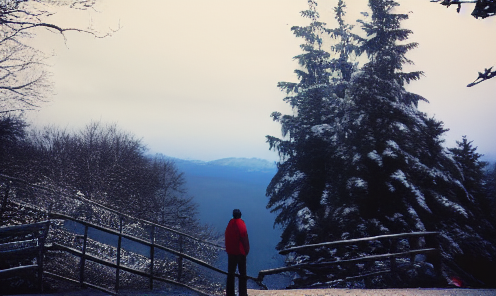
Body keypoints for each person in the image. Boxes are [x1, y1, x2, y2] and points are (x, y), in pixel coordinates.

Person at [224, 209, 250, 296]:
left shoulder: (230, 223)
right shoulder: (241, 223)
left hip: (230, 252)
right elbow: (244, 238)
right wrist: (246, 250)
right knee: (242, 274)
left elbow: (227, 236)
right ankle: (242, 293)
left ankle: (230, 293)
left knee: (230, 273)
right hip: (240, 252)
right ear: (240, 215)